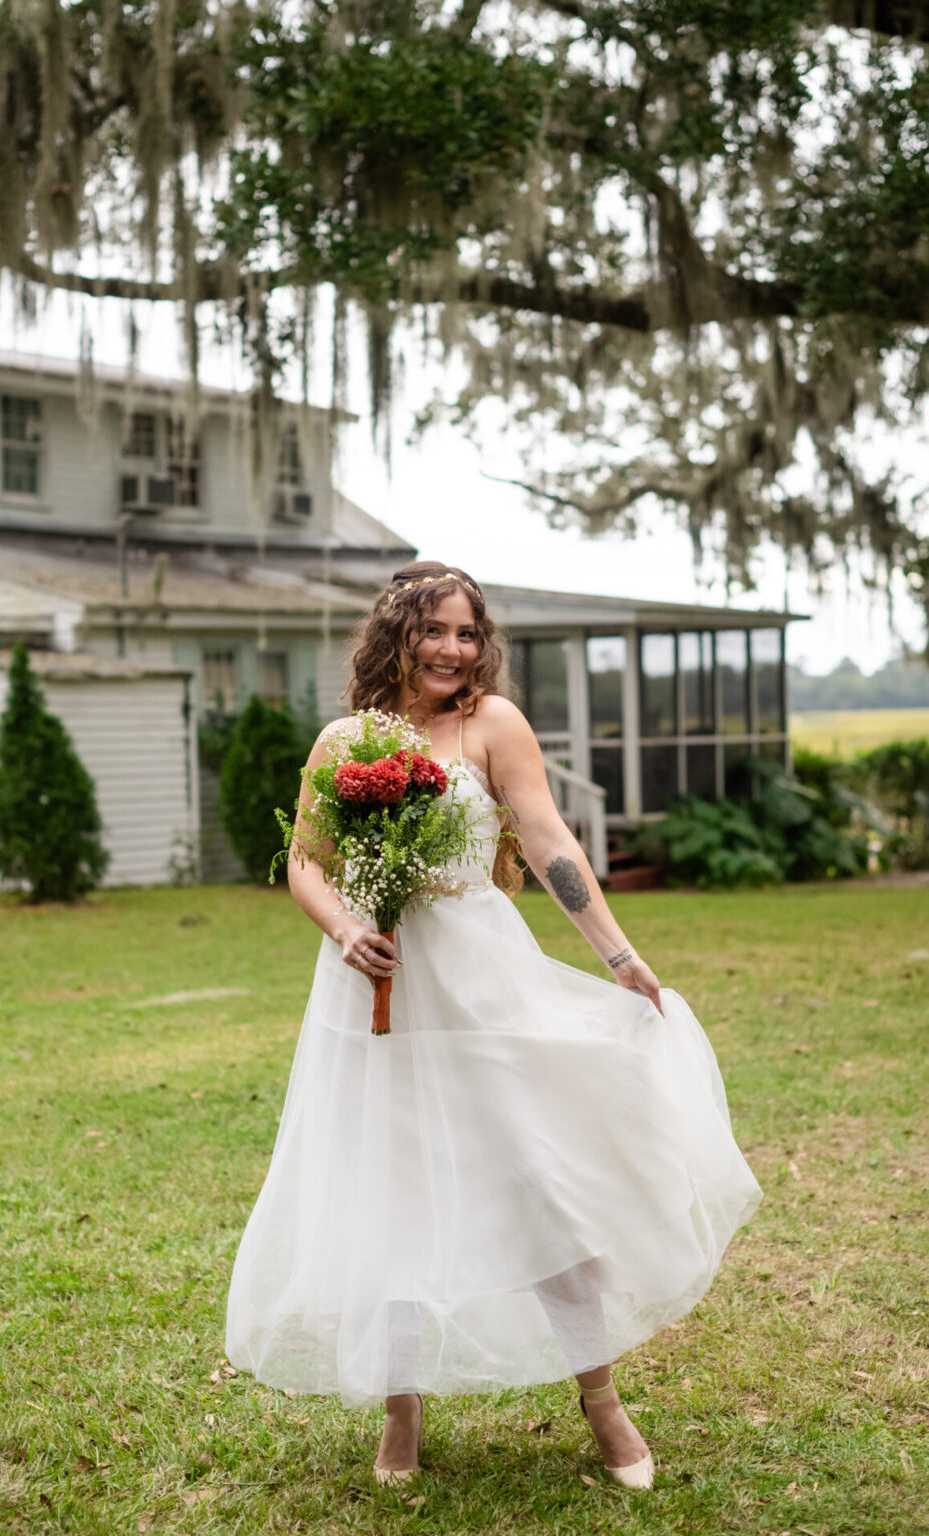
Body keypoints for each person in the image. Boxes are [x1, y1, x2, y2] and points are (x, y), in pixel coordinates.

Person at [226, 561, 762, 1492]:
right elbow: (305, 863)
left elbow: (549, 840)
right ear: (396, 633)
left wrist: (619, 957)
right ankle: (401, 1413)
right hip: (374, 994)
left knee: (538, 1179)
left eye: (468, 633)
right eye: (434, 630)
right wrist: (350, 927)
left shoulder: (493, 724)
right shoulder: (344, 738)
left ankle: (602, 1400)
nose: (452, 649)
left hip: (483, 980)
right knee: (385, 1194)